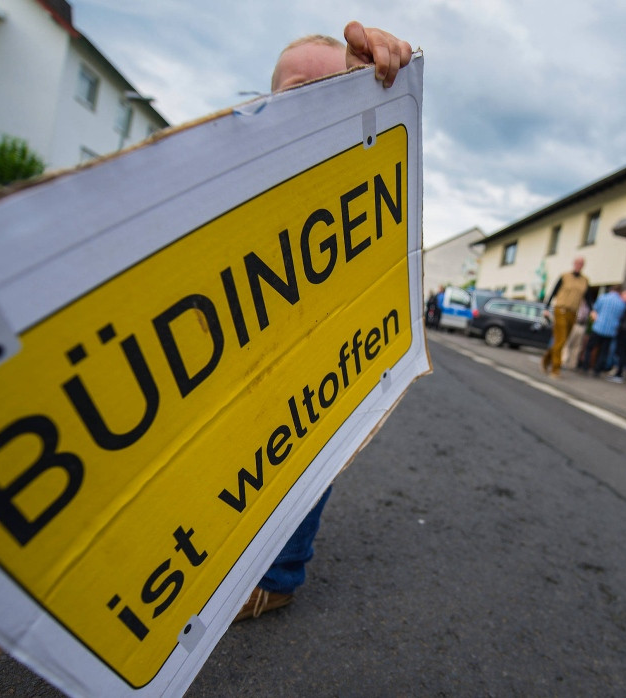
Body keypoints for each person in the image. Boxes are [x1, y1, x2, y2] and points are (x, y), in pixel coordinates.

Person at [236, 22, 414, 624]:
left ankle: (279, 575)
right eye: (296, 88)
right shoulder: (236, 163)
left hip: (328, 338)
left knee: (310, 444)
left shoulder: (365, 160)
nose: (311, 99)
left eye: (330, 87)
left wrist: (385, 81)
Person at [541, 257, 590, 378]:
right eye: (577, 263)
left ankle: (546, 359)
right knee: (561, 339)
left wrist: (593, 311)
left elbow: (588, 297)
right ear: (574, 264)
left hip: (573, 312)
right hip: (560, 309)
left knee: (562, 340)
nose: (579, 265)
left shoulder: (585, 280)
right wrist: (546, 308)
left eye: (581, 263)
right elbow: (553, 291)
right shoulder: (564, 276)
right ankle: (555, 368)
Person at [582, 285, 626, 376]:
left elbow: (595, 310)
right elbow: (621, 316)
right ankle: (597, 370)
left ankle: (585, 367)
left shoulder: (603, 298)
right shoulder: (622, 303)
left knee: (589, 348)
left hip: (598, 327)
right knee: (604, 352)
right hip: (611, 331)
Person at [606, 290, 626, 382]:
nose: (622, 297)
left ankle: (619, 373)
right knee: (624, 354)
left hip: (624, 332)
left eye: (624, 295)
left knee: (621, 353)